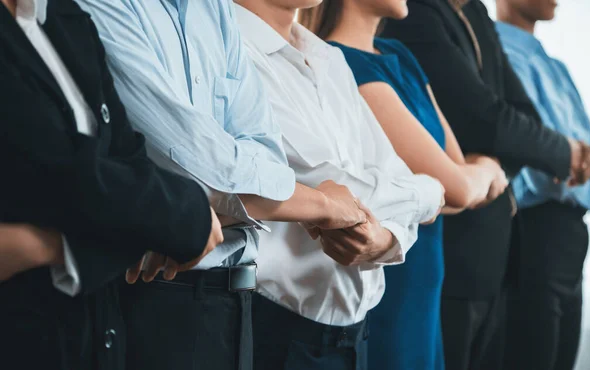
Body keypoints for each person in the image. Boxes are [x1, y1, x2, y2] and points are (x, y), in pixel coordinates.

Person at [74, 1, 370, 369]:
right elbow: (200, 166)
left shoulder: (213, 7)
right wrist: (322, 204)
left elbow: (268, 155)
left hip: (234, 306)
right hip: (149, 296)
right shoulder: (103, 5)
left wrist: (185, 218)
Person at [0, 0, 226, 368]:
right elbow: (60, 175)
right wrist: (184, 216)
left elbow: (127, 158)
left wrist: (50, 246)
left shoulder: (64, 16)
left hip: (100, 339)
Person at [378, 1, 590, 369]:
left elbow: (519, 119)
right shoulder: (414, 13)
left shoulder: (475, 14)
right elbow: (484, 119)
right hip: (455, 243)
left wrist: (492, 164)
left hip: (496, 246)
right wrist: (550, 152)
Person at [233, 1, 446, 369]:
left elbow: (387, 181)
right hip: (277, 333)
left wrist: (386, 239)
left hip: (355, 337)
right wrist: (429, 192)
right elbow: (341, 191)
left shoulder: (328, 58)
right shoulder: (233, 51)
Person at [298, 0, 509, 368]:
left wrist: (459, 181)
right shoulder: (343, 63)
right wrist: (490, 167)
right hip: (393, 280)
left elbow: (453, 178)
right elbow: (458, 187)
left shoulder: (398, 54)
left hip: (426, 284)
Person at [495, 1, 590, 369]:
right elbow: (537, 143)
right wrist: (576, 153)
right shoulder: (495, 53)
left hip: (571, 236)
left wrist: (588, 155)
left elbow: (586, 142)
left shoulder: (555, 66)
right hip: (532, 229)